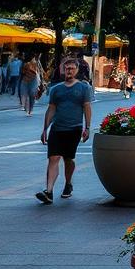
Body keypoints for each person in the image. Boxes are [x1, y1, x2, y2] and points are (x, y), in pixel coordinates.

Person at [37, 59, 92, 204]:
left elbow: (87, 107)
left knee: (68, 159)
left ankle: (68, 184)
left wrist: (87, 128)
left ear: (77, 70)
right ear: (63, 70)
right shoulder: (56, 89)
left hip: (74, 128)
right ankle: (48, 191)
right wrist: (45, 129)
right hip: (57, 129)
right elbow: (51, 109)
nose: (69, 71)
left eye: (72, 69)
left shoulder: (83, 88)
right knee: (53, 158)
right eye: (67, 68)